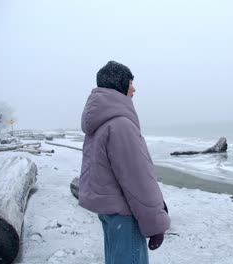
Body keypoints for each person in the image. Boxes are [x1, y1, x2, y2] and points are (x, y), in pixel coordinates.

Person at [79, 61, 171, 264]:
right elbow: (138, 178)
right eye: (130, 83)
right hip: (125, 215)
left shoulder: (101, 122)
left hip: (109, 213)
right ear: (120, 84)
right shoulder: (120, 124)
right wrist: (155, 223)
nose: (134, 88)